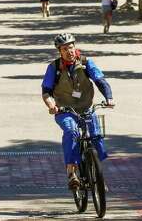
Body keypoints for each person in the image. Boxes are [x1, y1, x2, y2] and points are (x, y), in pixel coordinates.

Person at [41, 33, 115, 190]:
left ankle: (98, 175)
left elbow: (100, 81)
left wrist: (109, 98)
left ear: (75, 47)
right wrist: (51, 105)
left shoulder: (86, 63)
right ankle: (71, 172)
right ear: (59, 51)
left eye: (71, 47)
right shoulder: (54, 67)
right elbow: (46, 91)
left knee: (96, 136)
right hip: (65, 110)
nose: (69, 51)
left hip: (87, 107)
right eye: (65, 49)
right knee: (71, 131)